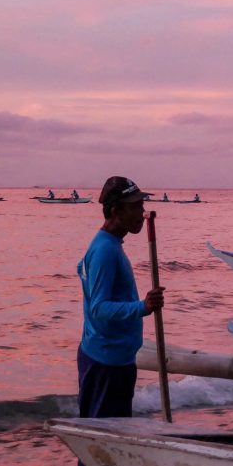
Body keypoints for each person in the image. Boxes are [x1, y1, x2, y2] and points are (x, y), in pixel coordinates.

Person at [77, 176, 164, 435]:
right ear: (116, 210)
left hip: (114, 360)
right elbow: (99, 308)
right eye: (136, 206)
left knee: (109, 442)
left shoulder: (110, 245)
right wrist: (142, 307)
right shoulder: (105, 250)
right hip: (106, 363)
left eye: (142, 205)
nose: (142, 212)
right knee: (101, 443)